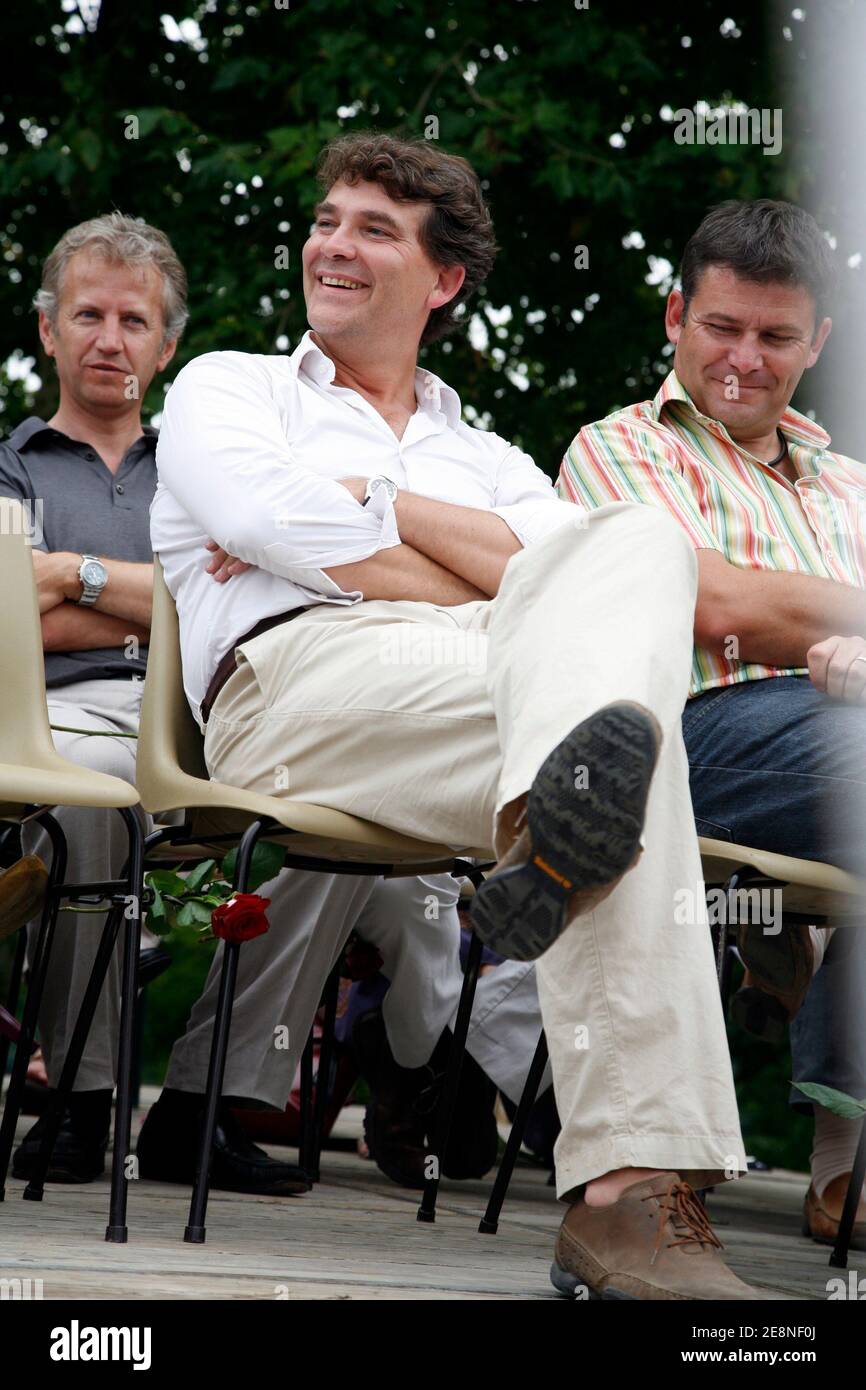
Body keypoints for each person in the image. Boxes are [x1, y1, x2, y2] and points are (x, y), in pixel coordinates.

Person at [149, 132, 781, 1300]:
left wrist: (377, 503)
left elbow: (570, 565)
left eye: (374, 230)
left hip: (491, 682)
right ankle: (631, 1203)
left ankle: (619, 1178)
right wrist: (484, 568)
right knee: (610, 720)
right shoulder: (225, 385)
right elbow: (272, 520)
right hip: (300, 687)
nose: (332, 245)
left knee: (634, 554)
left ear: (443, 280)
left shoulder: (484, 449)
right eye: (329, 219)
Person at [559, 198, 866, 1251]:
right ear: (673, 316)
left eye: (774, 337)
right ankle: (847, 1131)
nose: (742, 359)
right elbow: (718, 602)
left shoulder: (851, 487)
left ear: (816, 342)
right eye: (719, 328)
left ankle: (843, 1151)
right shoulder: (619, 452)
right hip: (690, 739)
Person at [0, 214, 302, 1194]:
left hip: (221, 716)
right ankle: (85, 1105)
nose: (108, 337)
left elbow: (257, 595)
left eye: (134, 320)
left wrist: (66, 576)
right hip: (57, 721)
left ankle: (205, 1100)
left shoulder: (209, 467)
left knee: (341, 816)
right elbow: (11, 622)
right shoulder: (11, 464)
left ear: (167, 345)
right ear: (47, 330)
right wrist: (170, 596)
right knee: (91, 789)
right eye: (86, 312)